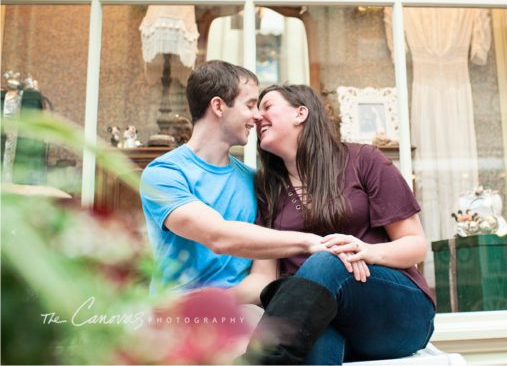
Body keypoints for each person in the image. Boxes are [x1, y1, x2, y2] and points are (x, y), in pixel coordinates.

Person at [139, 60, 363, 304]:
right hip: (173, 315)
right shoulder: (163, 174)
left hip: (239, 310)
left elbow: (262, 279)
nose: (258, 116)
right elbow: (218, 236)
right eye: (250, 105)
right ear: (218, 106)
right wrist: (309, 242)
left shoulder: (257, 182)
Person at [244, 84, 435, 365]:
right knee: (312, 336)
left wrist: (368, 252)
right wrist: (201, 300)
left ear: (301, 113)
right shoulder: (268, 188)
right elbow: (264, 277)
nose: (258, 117)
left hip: (394, 314)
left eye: (267, 106)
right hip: (322, 318)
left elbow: (416, 246)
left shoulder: (363, 160)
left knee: (327, 261)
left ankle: (257, 361)